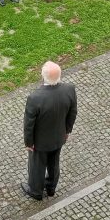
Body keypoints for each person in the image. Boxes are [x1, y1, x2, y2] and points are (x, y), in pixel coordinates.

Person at [21, 61, 77, 200]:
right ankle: (51, 188)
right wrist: (67, 131)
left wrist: (29, 142)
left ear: (43, 76)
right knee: (54, 163)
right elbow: (72, 113)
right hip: (59, 137)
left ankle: (35, 191)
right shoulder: (69, 89)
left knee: (37, 166)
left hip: (40, 142)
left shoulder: (35, 98)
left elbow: (29, 124)